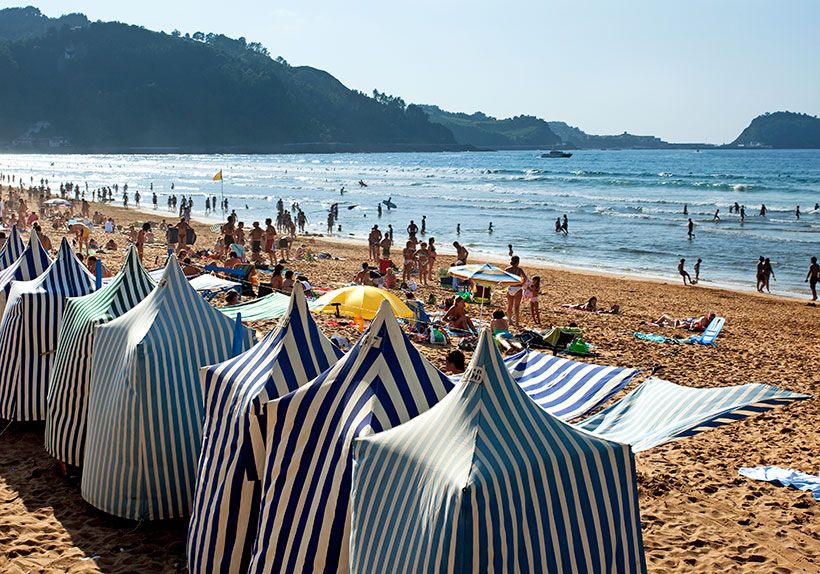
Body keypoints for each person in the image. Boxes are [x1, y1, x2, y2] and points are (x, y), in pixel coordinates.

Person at [506, 255, 527, 327]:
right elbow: (525, 278)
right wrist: (521, 284)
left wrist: (509, 283)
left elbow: (504, 278)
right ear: (518, 262)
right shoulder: (519, 269)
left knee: (509, 306)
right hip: (517, 288)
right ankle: (517, 322)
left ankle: (510, 321)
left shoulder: (507, 269)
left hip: (510, 288)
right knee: (517, 307)